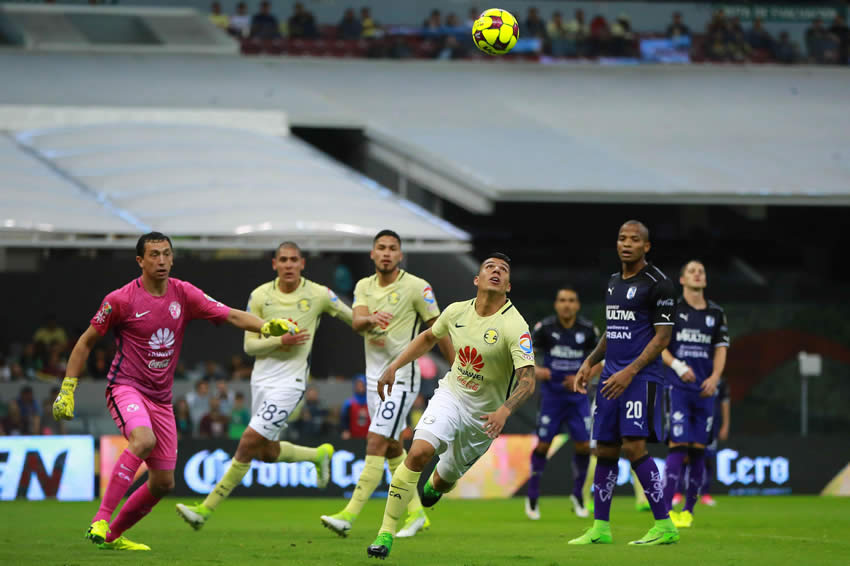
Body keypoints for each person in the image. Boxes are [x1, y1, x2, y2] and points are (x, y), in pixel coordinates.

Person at [51, 231, 293, 551]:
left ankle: (111, 538)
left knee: (164, 483)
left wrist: (264, 326)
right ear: (140, 261)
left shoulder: (183, 294)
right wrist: (68, 388)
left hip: (161, 400)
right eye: (154, 254)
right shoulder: (120, 300)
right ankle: (101, 518)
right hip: (126, 388)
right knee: (143, 439)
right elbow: (85, 342)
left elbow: (231, 313)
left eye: (166, 253)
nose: (162, 260)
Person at [366, 253, 536, 559]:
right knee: (418, 452)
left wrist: (504, 411)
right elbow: (429, 337)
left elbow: (527, 380)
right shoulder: (457, 311)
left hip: (483, 419)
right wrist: (394, 366)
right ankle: (385, 533)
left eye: (503, 270)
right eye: (489, 267)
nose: (495, 271)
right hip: (451, 396)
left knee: (444, 481)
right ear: (477, 279)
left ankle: (437, 484)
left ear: (508, 285)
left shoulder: (515, 325)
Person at [176, 241, 352, 529]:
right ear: (275, 264)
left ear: (302, 263)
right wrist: (279, 340)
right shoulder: (260, 296)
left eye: (294, 259)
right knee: (266, 453)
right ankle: (318, 455)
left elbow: (350, 316)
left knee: (247, 442)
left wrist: (373, 321)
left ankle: (205, 510)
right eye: (283, 259)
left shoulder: (318, 294)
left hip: (291, 383)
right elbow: (250, 347)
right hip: (261, 381)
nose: (289, 265)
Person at [321, 230, 453, 540]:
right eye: (381, 248)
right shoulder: (363, 286)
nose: (386, 253)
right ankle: (417, 514)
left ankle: (349, 515)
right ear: (372, 253)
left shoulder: (417, 287)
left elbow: (438, 329)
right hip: (372, 379)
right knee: (393, 447)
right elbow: (356, 322)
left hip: (402, 379)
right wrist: (369, 321)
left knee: (375, 442)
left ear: (400, 255)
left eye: (392, 249)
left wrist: (457, 368)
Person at [568, 220, 679, 546]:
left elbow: (662, 337)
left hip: (641, 377)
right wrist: (589, 362)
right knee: (605, 449)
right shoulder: (614, 282)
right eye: (621, 238)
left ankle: (664, 524)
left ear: (646, 246)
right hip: (609, 378)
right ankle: (600, 527)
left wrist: (630, 371)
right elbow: (612, 329)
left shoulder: (659, 284)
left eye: (634, 239)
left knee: (633, 447)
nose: (626, 243)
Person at [661, 260, 729, 528]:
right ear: (682, 280)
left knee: (699, 448)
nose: (698, 274)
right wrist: (678, 366)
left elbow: (721, 349)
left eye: (701, 270)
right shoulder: (673, 310)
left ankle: (688, 511)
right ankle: (665, 512)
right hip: (678, 387)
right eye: (692, 271)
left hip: (705, 389)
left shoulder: (716, 313)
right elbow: (660, 345)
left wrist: (715, 378)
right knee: (678, 444)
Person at [525, 286, 601, 520]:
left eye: (571, 300)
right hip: (552, 396)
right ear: (556, 305)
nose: (566, 304)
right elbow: (524, 357)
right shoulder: (544, 329)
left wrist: (583, 376)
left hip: (578, 396)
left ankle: (578, 494)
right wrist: (539, 372)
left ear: (577, 305)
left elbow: (601, 360)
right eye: (562, 300)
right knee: (544, 445)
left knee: (583, 445)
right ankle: (533, 495)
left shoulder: (588, 331)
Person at [340, 374, 370, 440]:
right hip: (352, 437)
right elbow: (344, 418)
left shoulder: (371, 403)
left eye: (362, 385)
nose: (360, 387)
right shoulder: (349, 403)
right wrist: (345, 430)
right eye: (358, 385)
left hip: (368, 437)